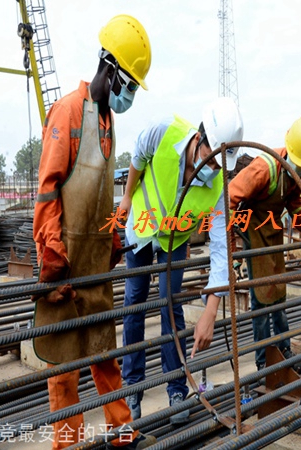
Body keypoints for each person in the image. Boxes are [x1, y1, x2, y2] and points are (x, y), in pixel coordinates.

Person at [32, 15, 155, 450]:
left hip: (96, 263)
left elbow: (101, 197)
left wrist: (115, 238)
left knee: (105, 355)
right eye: (132, 84)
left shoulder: (107, 122)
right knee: (64, 368)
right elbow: (48, 190)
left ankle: (123, 435)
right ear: (112, 69)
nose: (131, 95)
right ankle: (68, 445)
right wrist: (51, 253)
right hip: (65, 262)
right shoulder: (68, 112)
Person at [119, 97, 243, 424]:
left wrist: (212, 309)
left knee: (169, 303)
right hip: (144, 226)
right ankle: (132, 384)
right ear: (200, 137)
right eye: (210, 158)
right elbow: (138, 155)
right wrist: (128, 197)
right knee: (135, 300)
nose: (214, 167)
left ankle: (176, 388)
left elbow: (220, 249)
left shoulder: (217, 185)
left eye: (220, 164)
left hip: (175, 238)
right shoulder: (164, 132)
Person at [228, 116, 301, 374]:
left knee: (278, 294)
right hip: (252, 235)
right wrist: (232, 249)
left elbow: (294, 205)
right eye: (299, 164)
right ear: (288, 150)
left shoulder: (300, 169)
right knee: (260, 300)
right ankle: (263, 364)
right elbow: (229, 199)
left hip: (273, 232)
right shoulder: (264, 168)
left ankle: (283, 353)